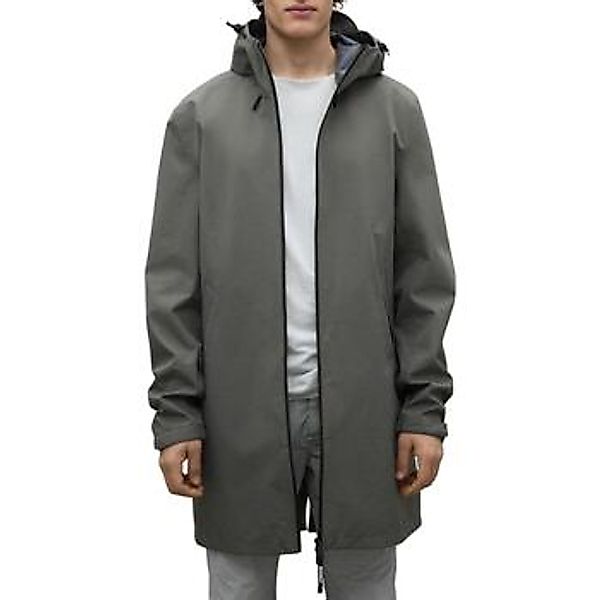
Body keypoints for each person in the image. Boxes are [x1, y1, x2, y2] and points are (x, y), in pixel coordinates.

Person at [144, 1, 456, 598]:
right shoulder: (202, 117)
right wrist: (178, 414)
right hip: (236, 414)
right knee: (238, 585)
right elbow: (173, 281)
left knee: (366, 583)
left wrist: (423, 408)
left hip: (367, 409)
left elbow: (422, 273)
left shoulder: (394, 111)